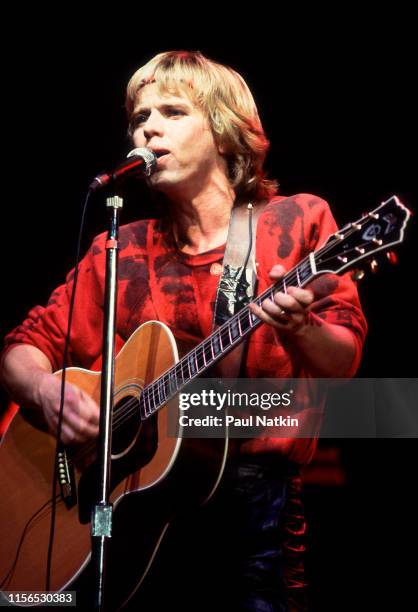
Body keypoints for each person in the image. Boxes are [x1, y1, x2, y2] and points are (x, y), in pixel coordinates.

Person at [0, 51, 367, 611]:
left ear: (223, 132)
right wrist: (45, 391)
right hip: (129, 509)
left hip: (253, 511)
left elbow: (342, 364)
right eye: (139, 115)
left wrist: (301, 326)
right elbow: (22, 349)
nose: (148, 126)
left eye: (172, 111)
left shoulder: (295, 220)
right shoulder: (118, 248)